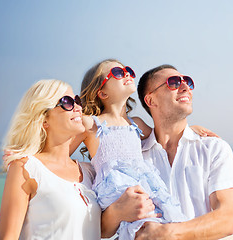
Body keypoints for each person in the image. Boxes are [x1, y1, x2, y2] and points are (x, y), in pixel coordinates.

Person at [70, 59, 212, 239]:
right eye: (119, 73)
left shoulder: (135, 123)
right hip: (117, 190)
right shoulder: (91, 123)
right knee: (141, 228)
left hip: (145, 185)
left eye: (128, 70)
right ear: (102, 92)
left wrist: (189, 130)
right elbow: (60, 151)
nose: (127, 74)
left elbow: (162, 133)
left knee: (162, 222)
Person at [103, 64, 233, 240]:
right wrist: (116, 211)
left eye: (188, 82)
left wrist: (167, 233)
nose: (185, 87)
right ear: (151, 101)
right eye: (174, 82)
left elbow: (226, 220)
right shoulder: (133, 157)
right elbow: (103, 227)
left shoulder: (214, 149)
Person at [0, 79, 102, 239]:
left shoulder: (90, 171)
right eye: (67, 102)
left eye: (77, 100)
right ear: (44, 119)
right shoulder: (25, 168)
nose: (78, 107)